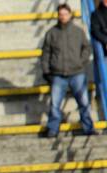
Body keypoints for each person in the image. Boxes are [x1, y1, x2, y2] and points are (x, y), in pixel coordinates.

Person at [42, 3, 94, 137]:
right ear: (58, 16)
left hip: (77, 73)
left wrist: (80, 62)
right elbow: (46, 53)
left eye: (65, 14)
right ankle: (53, 129)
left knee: (84, 103)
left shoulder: (78, 31)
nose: (63, 17)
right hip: (58, 74)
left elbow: (87, 48)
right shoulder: (51, 33)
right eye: (60, 14)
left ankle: (88, 128)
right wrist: (46, 71)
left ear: (70, 15)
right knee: (54, 105)